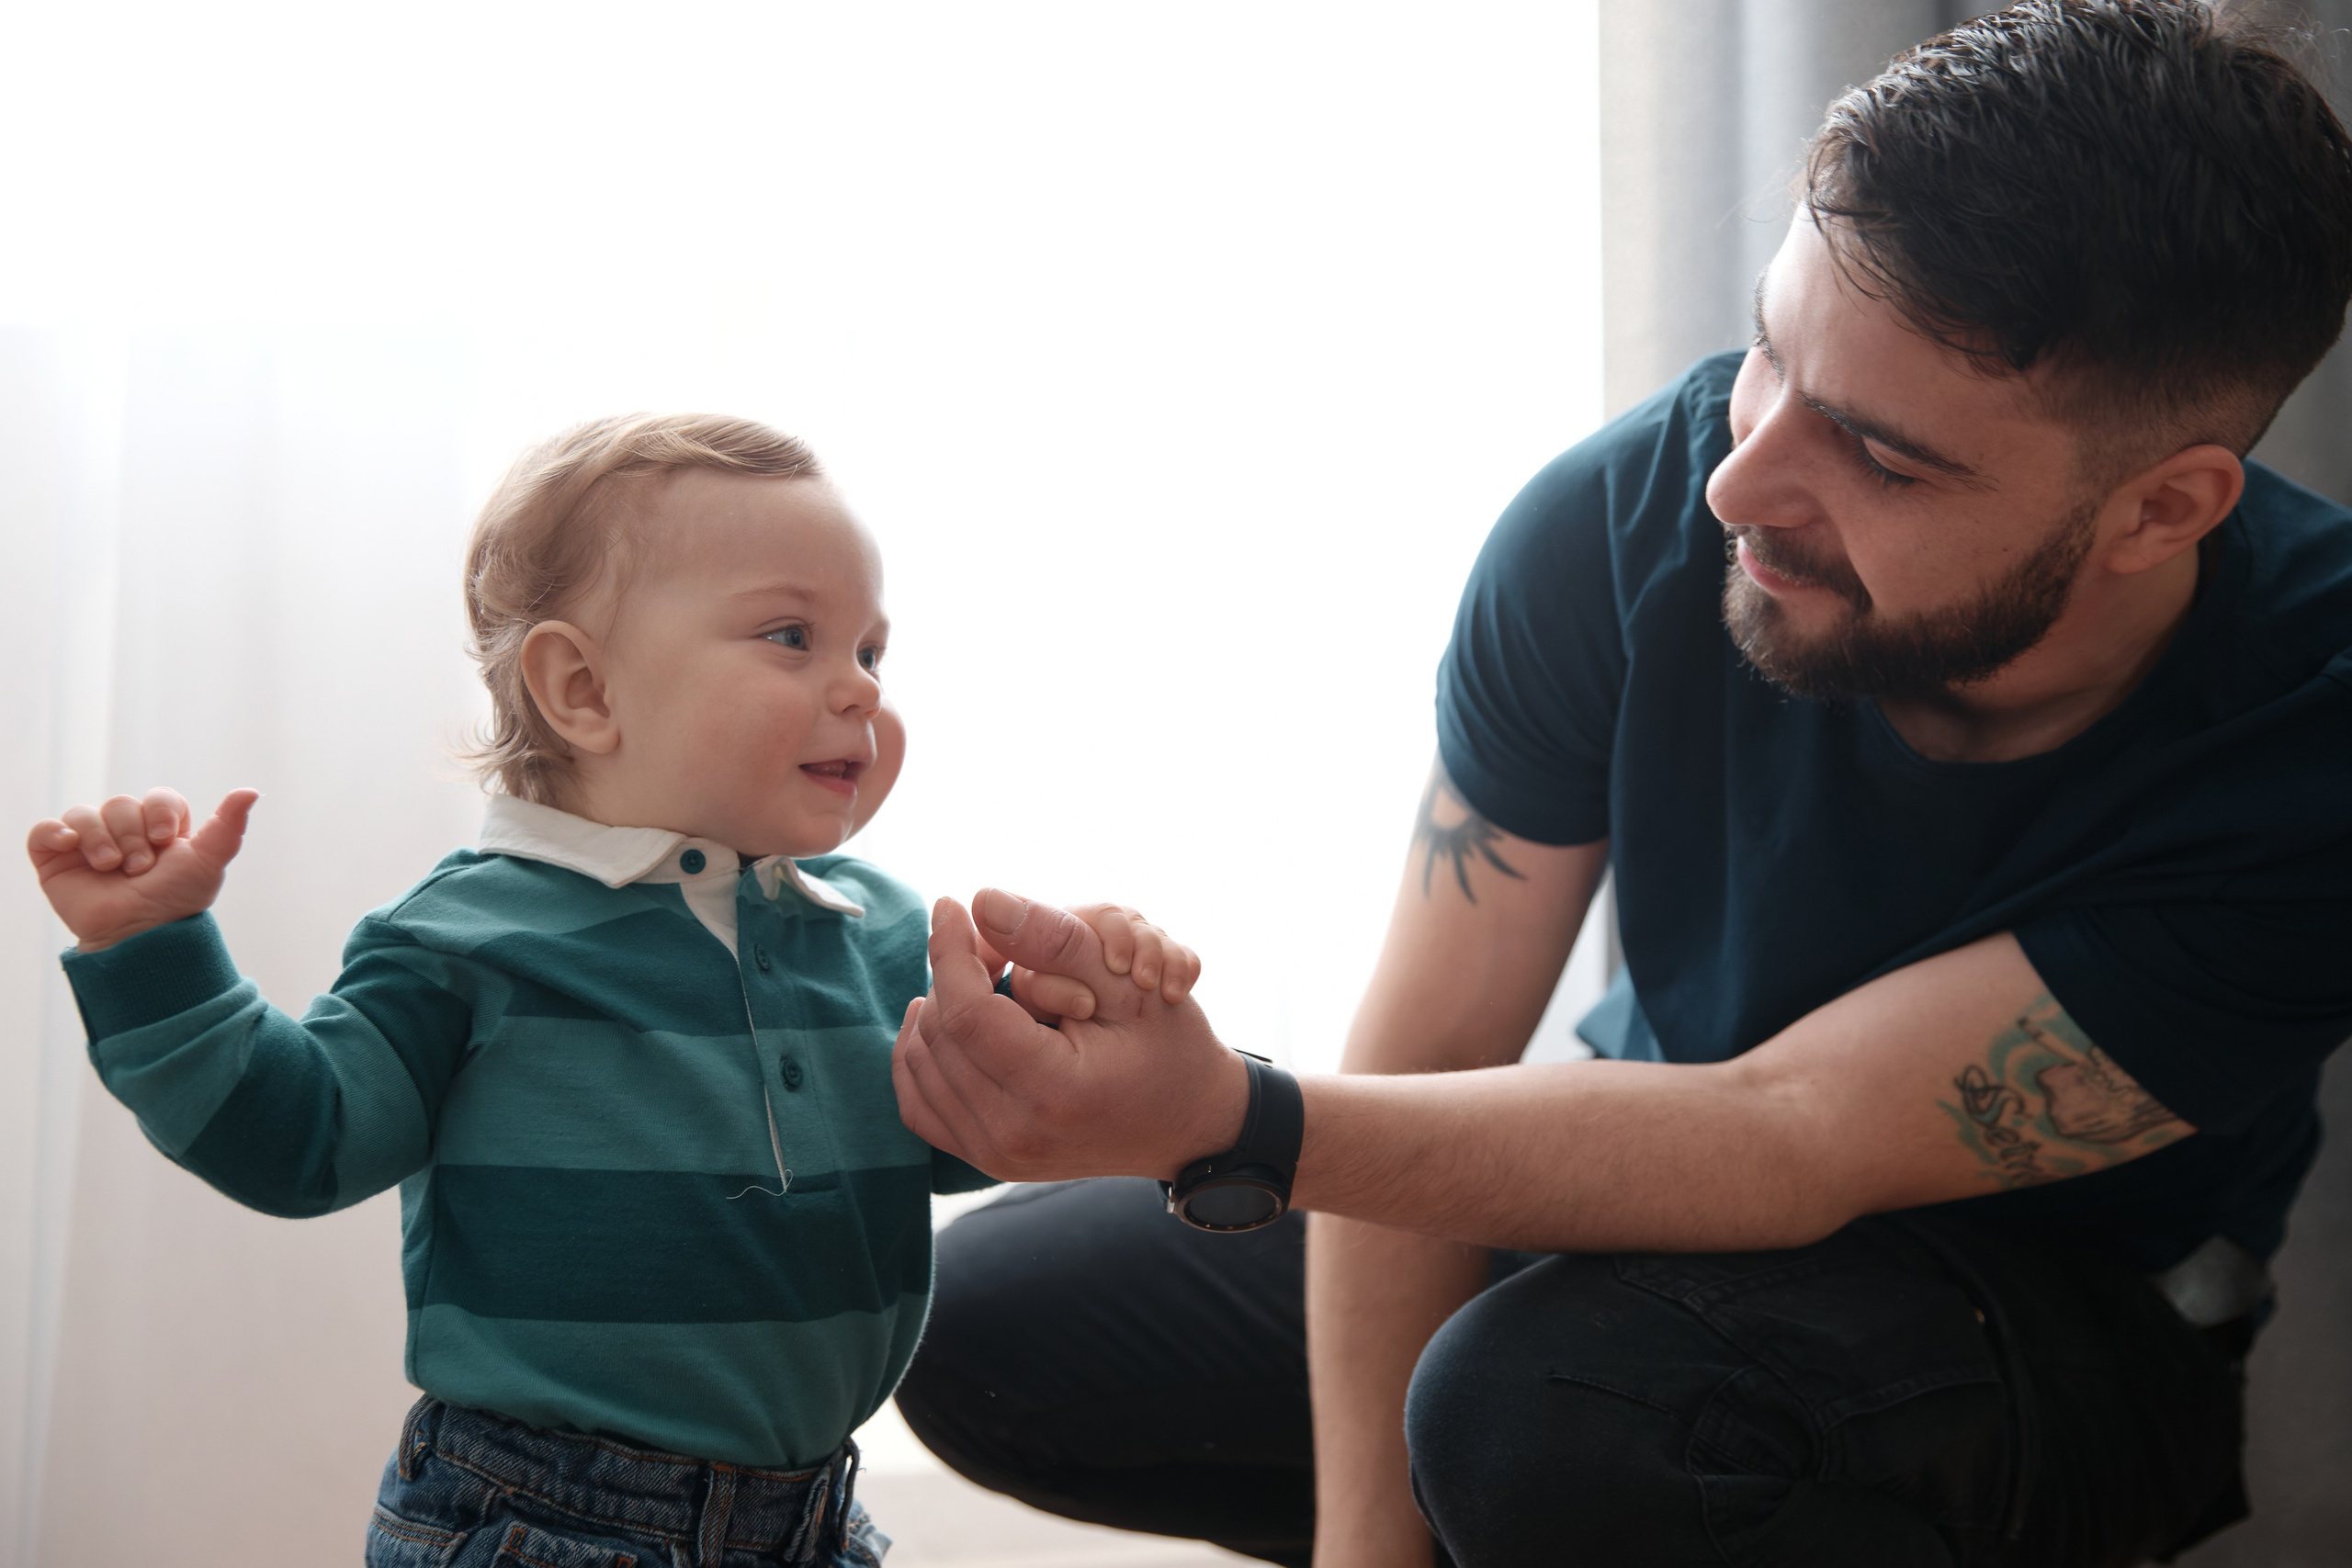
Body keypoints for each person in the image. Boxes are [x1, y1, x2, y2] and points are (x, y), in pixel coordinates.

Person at [887, 5, 2352, 1565]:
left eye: (1877, 452)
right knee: (987, 1320)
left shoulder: (2316, 737)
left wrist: (1228, 1116)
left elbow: (1789, 1130)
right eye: (1774, 351)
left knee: (1549, 1409)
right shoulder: (1630, 517)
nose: (1743, 477)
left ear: (2161, 510)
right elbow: (1435, 1048)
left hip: (2046, 1335)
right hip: (1632, 1222)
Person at [22, 414, 1196, 1567]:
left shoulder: (879, 926)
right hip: (542, 1519)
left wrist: (1057, 1020)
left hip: (809, 1518)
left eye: (871, 653)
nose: (858, 691)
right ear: (581, 689)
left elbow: (962, 1142)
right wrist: (153, 950)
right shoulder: (468, 936)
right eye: (792, 636)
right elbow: (298, 1143)